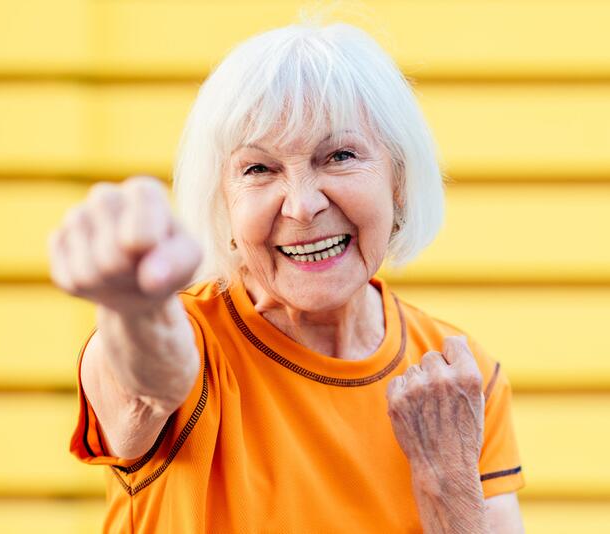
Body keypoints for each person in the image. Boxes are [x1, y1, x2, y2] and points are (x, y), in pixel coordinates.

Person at [48, 21, 526, 533]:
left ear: (400, 182)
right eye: (259, 169)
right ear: (224, 204)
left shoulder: (454, 373)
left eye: (339, 156)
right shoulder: (193, 339)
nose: (301, 205)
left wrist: (447, 480)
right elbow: (148, 381)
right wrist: (135, 311)